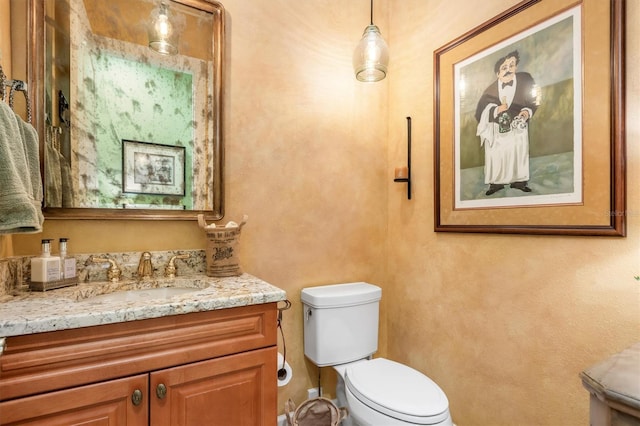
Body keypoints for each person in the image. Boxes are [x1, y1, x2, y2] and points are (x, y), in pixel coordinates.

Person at [474, 50, 539, 196]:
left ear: (516, 66)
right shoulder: (489, 91)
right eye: (504, 67)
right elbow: (479, 113)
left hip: (518, 126)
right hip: (497, 130)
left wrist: (527, 111)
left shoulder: (526, 80)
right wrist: (496, 110)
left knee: (518, 153)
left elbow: (535, 99)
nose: (508, 69)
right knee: (498, 155)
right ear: (498, 73)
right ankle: (496, 183)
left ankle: (519, 181)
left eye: (512, 65)